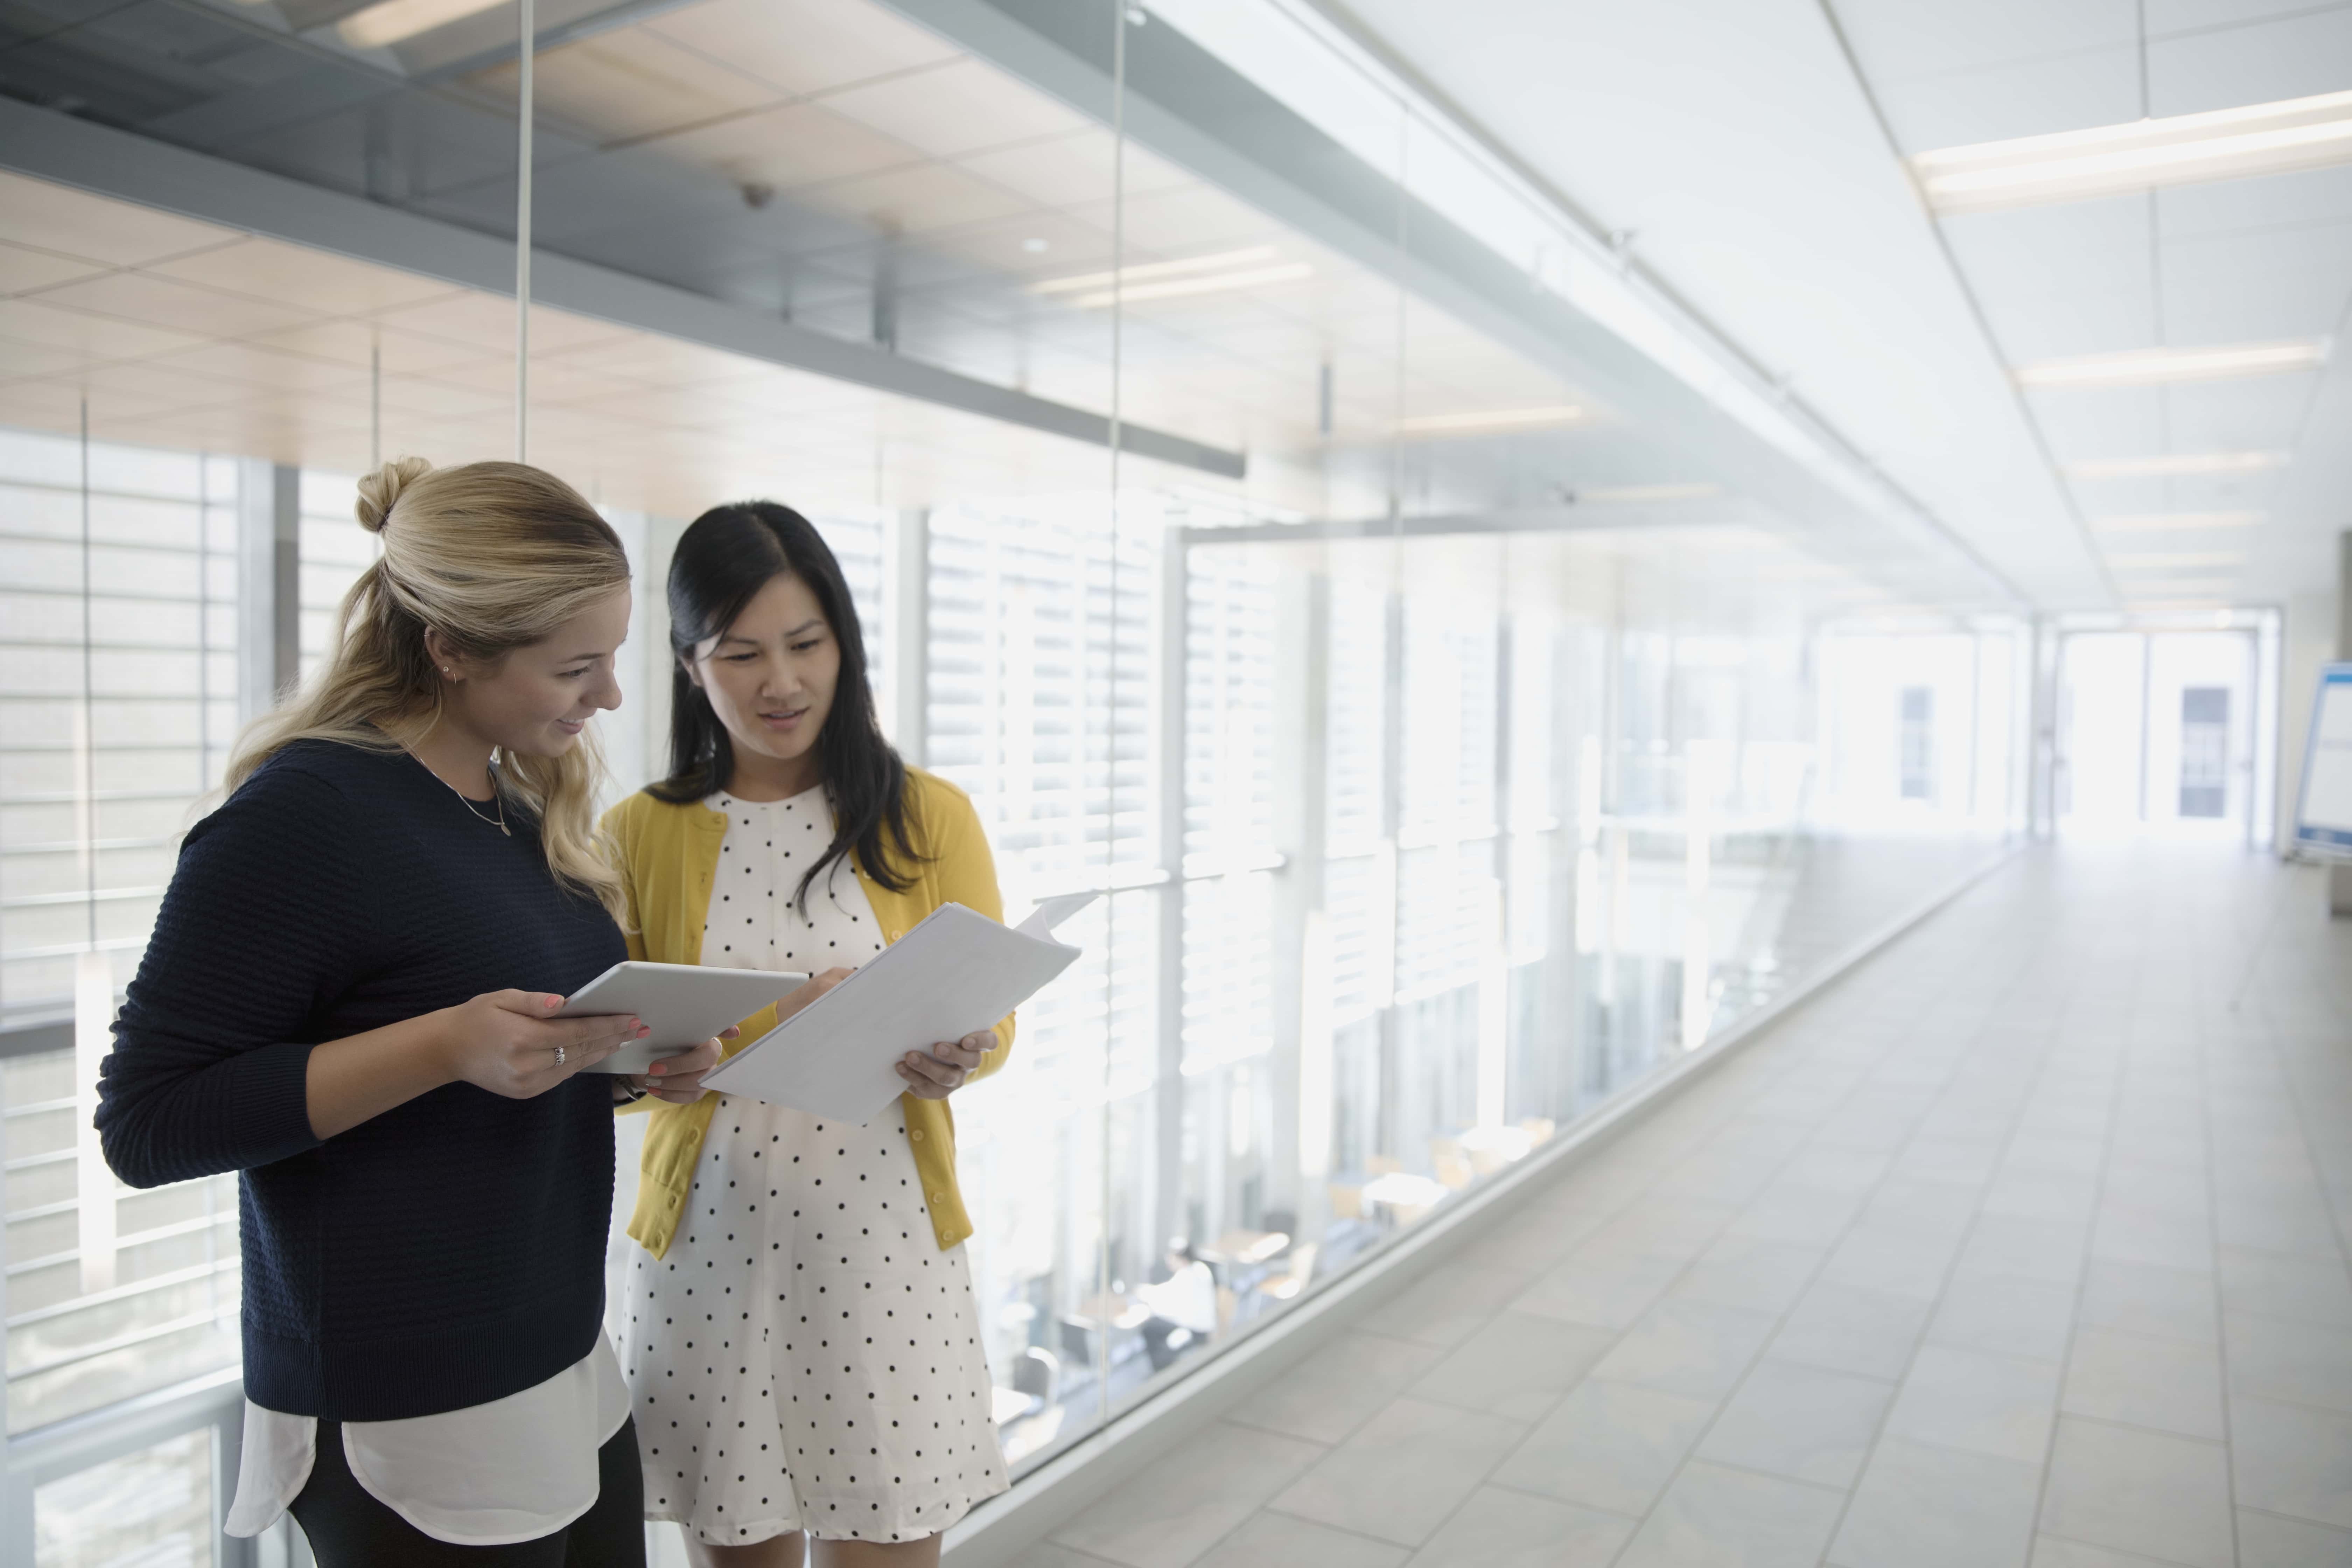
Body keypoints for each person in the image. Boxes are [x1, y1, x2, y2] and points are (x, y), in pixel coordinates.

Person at [93, 458, 733, 1566]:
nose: (609, 698)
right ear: (449, 650)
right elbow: (147, 1125)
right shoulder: (302, 819)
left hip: (560, 1353)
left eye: (612, 659)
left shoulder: (512, 802)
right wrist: (442, 1046)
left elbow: (499, 1044)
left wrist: (627, 1060)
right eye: (576, 667)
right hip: (411, 1398)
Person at [605, 500, 1012, 1566]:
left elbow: (992, 1017)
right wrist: (757, 1027)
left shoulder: (929, 816)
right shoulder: (640, 833)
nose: (780, 683)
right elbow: (616, 1057)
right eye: (740, 653)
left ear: (845, 645)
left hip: (886, 1253)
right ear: (692, 665)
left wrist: (961, 1051)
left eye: (805, 645)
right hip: (713, 1255)